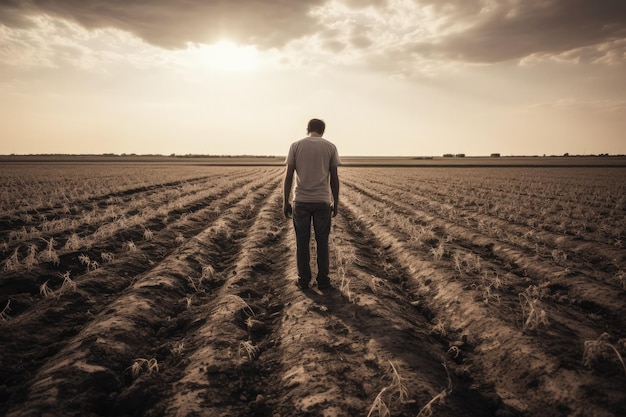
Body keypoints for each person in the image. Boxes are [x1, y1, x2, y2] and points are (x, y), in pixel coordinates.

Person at [283, 118, 340, 290]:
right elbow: (334, 178)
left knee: (302, 242)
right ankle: (323, 281)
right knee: (322, 242)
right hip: (322, 201)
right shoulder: (330, 147)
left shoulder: (295, 145)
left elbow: (288, 176)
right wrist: (335, 201)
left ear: (307, 128)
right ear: (323, 131)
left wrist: (285, 201)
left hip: (300, 201)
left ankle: (303, 280)